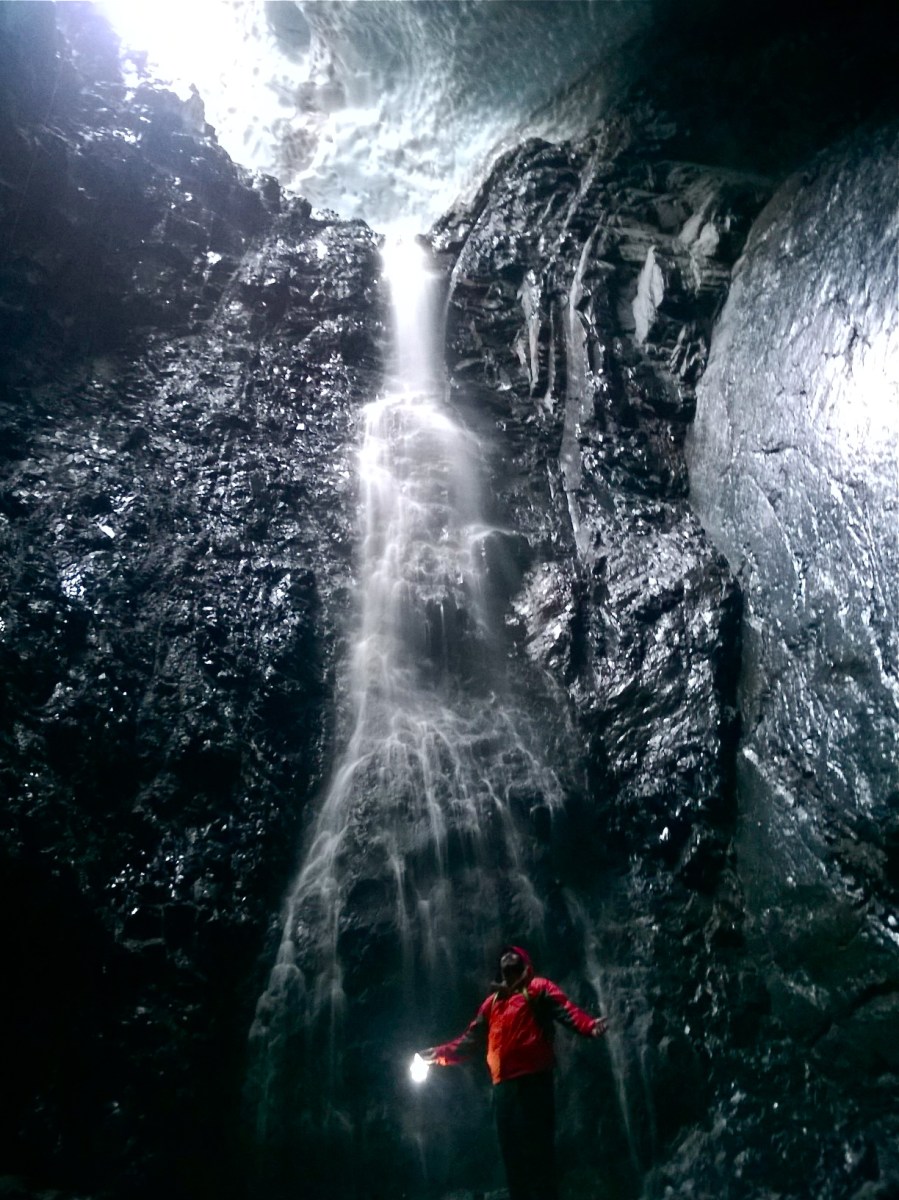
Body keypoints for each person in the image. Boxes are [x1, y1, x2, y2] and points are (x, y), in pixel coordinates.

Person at [420, 946, 608, 1200]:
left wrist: (588, 1026)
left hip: (534, 1080)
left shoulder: (538, 988)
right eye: (504, 955)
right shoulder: (491, 1004)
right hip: (504, 1088)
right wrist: (439, 1054)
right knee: (512, 1153)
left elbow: (565, 1009)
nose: (507, 954)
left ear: (525, 963)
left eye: (514, 953)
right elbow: (469, 1041)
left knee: (539, 1149)